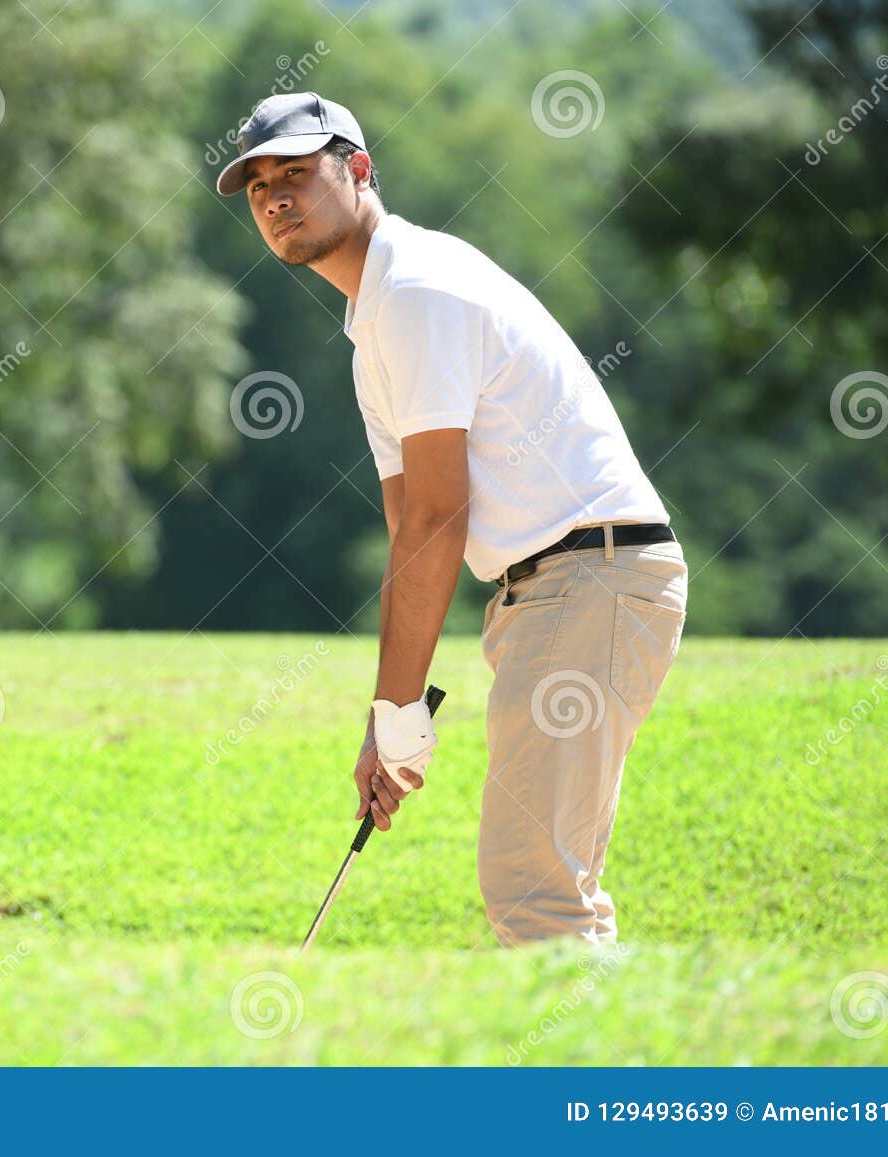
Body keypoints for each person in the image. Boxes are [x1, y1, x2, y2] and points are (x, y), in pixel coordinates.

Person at [215, 92, 688, 947]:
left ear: (358, 170)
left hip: (592, 578)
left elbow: (440, 515)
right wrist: (391, 719)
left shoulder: (417, 291)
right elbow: (412, 529)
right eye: (258, 187)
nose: (277, 198)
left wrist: (401, 708)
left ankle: (588, 1082)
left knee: (536, 894)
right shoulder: (374, 323)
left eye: (296, 173)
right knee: (546, 886)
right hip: (557, 591)